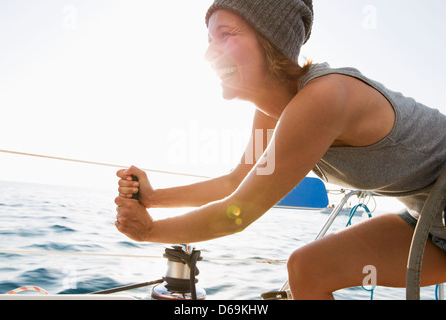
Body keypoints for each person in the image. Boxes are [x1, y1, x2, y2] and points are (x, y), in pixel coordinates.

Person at [115, 0, 446, 299]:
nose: (208, 54)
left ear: (270, 42)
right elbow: (236, 184)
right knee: (307, 269)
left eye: (226, 34)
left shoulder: (323, 99)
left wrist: (148, 231)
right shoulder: (271, 113)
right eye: (209, 40)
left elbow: (238, 213)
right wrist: (154, 198)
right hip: (431, 220)